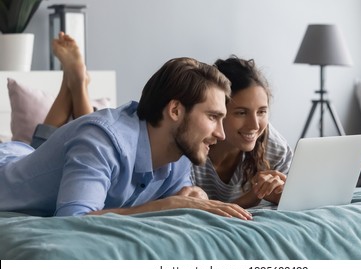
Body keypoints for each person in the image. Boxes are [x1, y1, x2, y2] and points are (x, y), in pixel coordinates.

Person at [0, 33, 252, 220]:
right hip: (7, 169)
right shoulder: (101, 140)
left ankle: (72, 82)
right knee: (34, 149)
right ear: (175, 110)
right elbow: (72, 221)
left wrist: (194, 197)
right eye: (212, 117)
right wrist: (164, 206)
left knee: (39, 149)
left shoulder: (181, 149)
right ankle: (75, 83)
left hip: (36, 161)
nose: (221, 133)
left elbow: (180, 201)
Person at [190, 56, 293, 208]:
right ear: (216, 111)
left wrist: (283, 195)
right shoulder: (190, 149)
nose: (255, 125)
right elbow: (185, 216)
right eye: (241, 113)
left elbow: (298, 202)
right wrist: (249, 199)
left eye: (262, 112)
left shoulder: (273, 146)